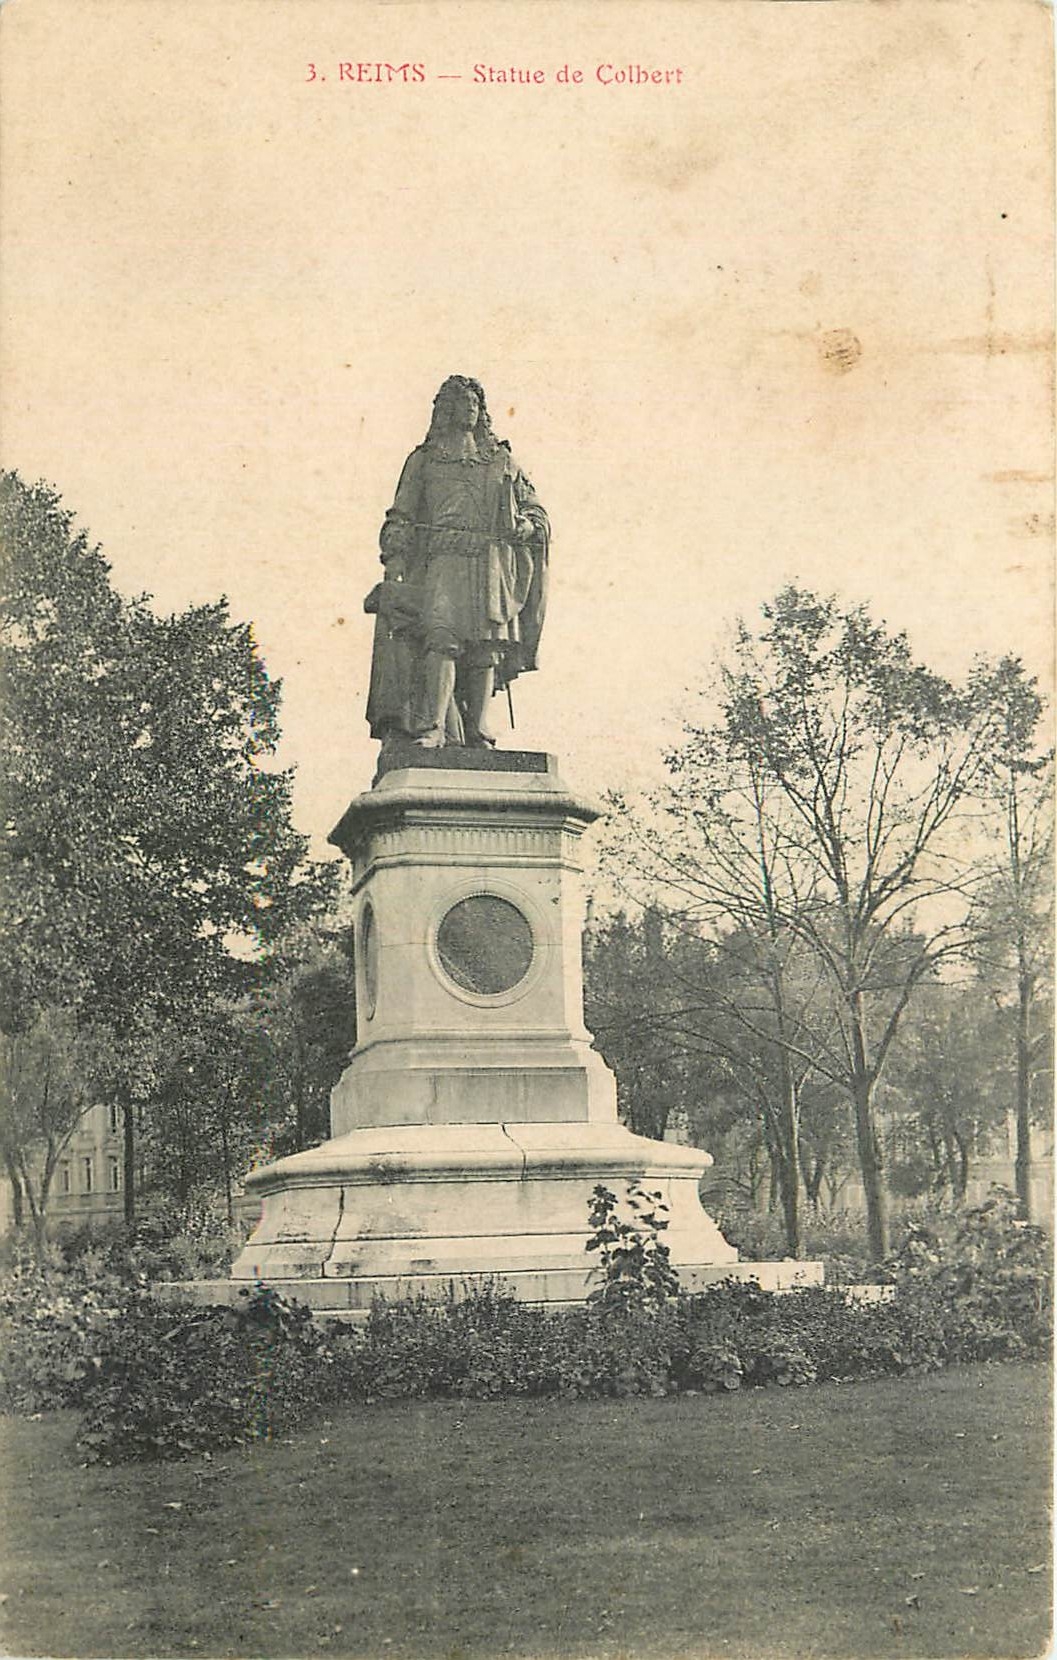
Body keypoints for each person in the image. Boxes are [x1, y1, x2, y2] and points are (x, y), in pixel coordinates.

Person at [365, 376, 548, 749]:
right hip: (443, 562)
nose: (469, 410)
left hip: (490, 564)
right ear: (445, 409)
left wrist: (525, 525)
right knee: (441, 639)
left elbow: (536, 511)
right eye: (461, 403)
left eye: (475, 404)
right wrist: (395, 555)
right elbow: (400, 515)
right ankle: (434, 727)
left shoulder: (502, 460)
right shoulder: (424, 460)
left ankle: (479, 729)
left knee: (485, 647)